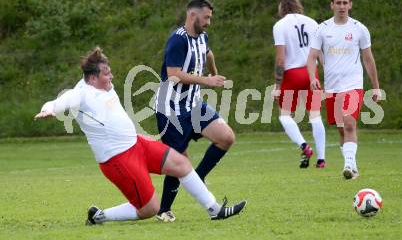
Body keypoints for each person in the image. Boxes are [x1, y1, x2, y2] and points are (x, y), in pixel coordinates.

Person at [34, 47, 246, 225]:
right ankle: (100, 216)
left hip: (136, 144)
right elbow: (62, 99)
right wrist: (49, 109)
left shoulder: (103, 85)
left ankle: (214, 209)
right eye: (106, 73)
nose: (111, 76)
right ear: (92, 78)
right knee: (150, 209)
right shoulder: (81, 94)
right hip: (117, 159)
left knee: (181, 163)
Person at [154, 0, 237, 222]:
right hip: (171, 110)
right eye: (206, 17)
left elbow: (208, 53)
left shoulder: (202, 36)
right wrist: (206, 81)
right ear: (193, 15)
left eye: (210, 17)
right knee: (179, 162)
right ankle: (163, 210)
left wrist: (213, 71)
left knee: (226, 137)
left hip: (194, 106)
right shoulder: (177, 40)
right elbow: (173, 75)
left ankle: (196, 179)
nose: (209, 22)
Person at [307, 0, 381, 179]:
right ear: (332, 5)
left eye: (345, 3)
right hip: (332, 87)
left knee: (349, 124)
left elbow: (368, 59)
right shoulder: (322, 29)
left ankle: (347, 165)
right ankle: (353, 167)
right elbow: (312, 56)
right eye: (338, 3)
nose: (341, 6)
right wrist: (313, 77)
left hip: (353, 85)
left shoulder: (359, 29)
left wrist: (376, 87)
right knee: (341, 129)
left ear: (350, 5)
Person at [272, 0, 326, 169]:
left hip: (292, 74)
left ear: (282, 8)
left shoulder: (280, 25)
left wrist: (277, 85)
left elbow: (280, 59)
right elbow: (320, 53)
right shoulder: (312, 22)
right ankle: (321, 160)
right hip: (312, 72)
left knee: (285, 116)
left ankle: (304, 146)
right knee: (315, 116)